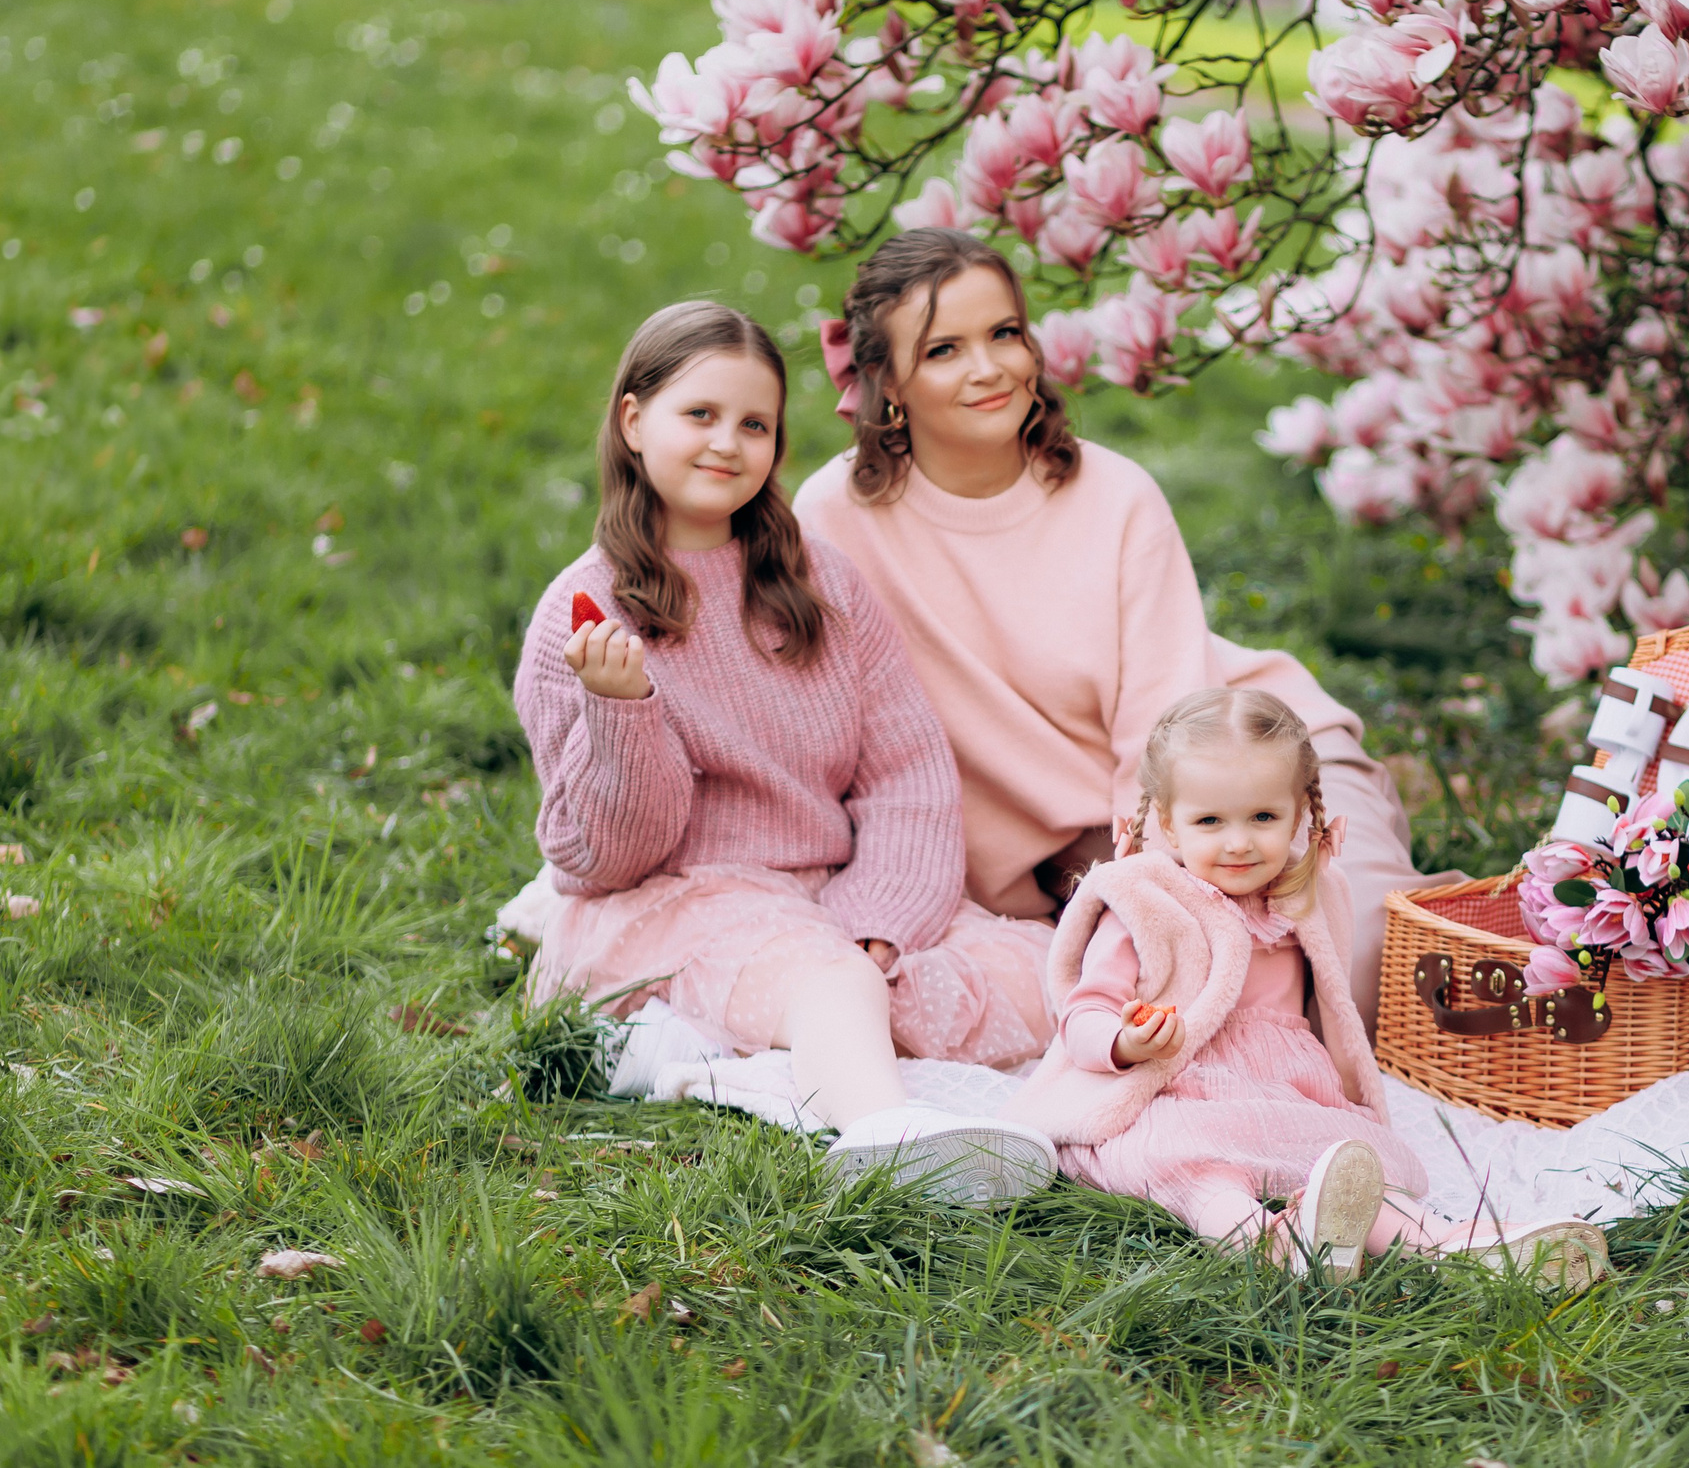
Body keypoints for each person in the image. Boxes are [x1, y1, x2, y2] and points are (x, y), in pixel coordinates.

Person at [796, 228, 1459, 1033]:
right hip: (1077, 854)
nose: (989, 368)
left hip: (1241, 772)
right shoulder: (834, 518)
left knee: (1358, 974)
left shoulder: (1114, 494)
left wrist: (1161, 892)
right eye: (943, 350)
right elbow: (836, 728)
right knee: (1189, 1013)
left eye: (1005, 333)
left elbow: (1167, 721)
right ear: (887, 381)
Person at [514, 300, 1055, 1202]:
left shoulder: (820, 584)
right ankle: (887, 1131)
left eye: (754, 423)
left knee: (1037, 970)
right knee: (833, 983)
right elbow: (610, 855)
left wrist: (878, 919)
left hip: (827, 889)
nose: (728, 442)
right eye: (700, 414)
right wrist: (623, 709)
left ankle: (774, 1047)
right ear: (634, 419)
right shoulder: (583, 611)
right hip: (675, 895)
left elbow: (906, 772)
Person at [1003, 688, 1607, 1284]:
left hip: (1283, 1087)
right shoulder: (1148, 904)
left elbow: (1328, 1010)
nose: (1239, 841)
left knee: (1344, 1162)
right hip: (1174, 1087)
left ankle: (1446, 1246)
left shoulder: (1304, 901)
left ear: (1298, 814)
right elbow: (1084, 1010)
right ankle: (1274, 1249)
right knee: (1201, 1171)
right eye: (1210, 820)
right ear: (1168, 823)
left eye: (1263, 817)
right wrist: (1125, 1042)